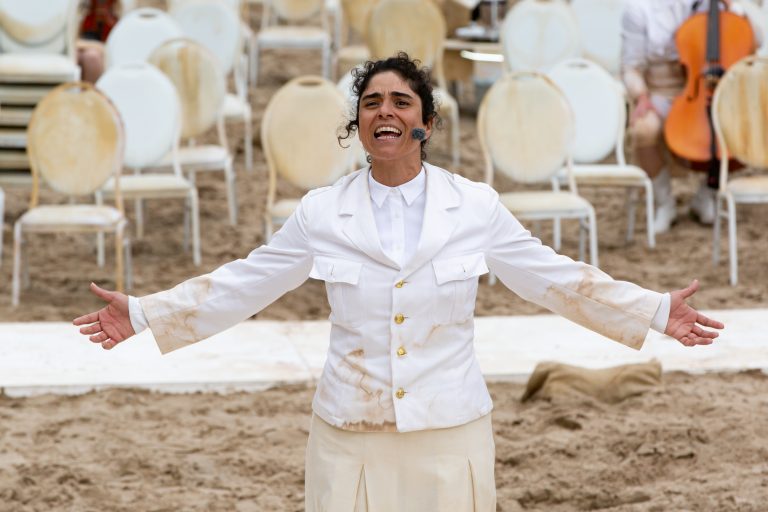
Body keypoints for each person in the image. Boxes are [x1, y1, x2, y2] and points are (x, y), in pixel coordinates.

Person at [73, 53, 724, 511]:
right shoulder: (322, 212)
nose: (384, 110)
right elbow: (246, 281)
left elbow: (555, 279)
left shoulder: (473, 206)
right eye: (371, 101)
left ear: (426, 124)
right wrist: (143, 314)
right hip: (350, 432)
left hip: (450, 432)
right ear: (358, 124)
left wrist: (656, 311)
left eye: (400, 100)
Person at [621, 0, 748, 232]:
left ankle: (706, 195)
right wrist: (641, 96)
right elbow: (631, 67)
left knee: (738, 129)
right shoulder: (638, 8)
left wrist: (732, 7)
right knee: (643, 130)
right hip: (659, 91)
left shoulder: (714, 4)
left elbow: (752, 39)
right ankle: (664, 203)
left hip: (704, 92)